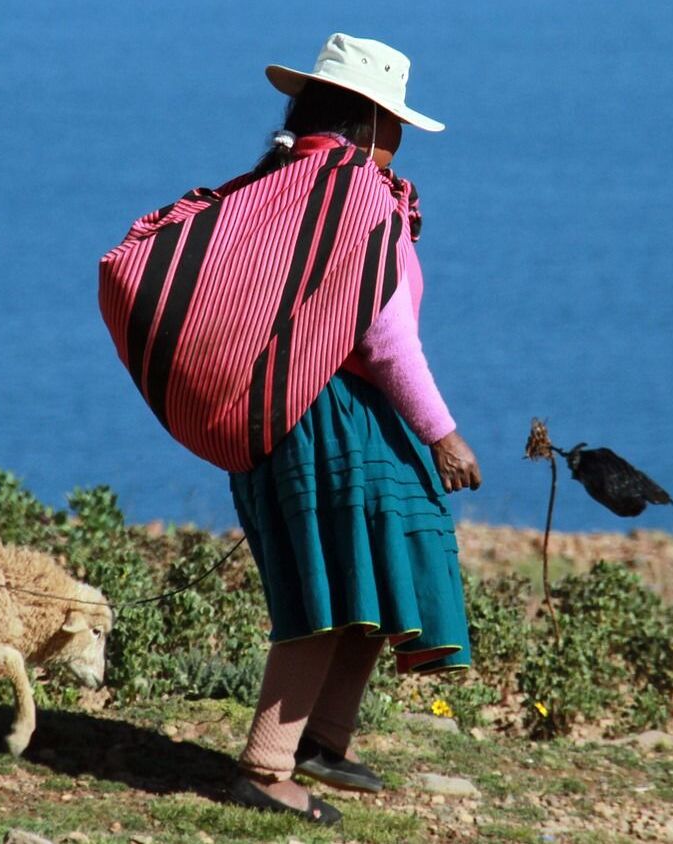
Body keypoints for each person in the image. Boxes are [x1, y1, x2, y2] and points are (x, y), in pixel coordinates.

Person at [211, 34, 482, 825]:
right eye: (392, 123)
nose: (397, 141)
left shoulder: (277, 184)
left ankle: (323, 741)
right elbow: (383, 336)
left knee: (361, 570)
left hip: (272, 413)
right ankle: (266, 767)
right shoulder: (358, 197)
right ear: (368, 121)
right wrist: (441, 432)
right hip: (332, 419)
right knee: (328, 590)